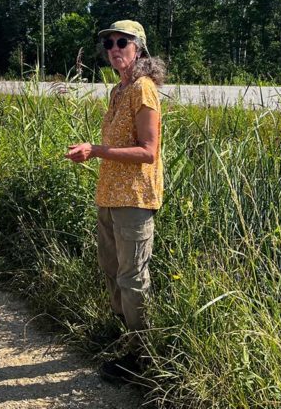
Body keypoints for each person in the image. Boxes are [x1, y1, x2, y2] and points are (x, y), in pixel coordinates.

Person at [65, 20, 165, 383]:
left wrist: (96, 150)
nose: (114, 49)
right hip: (109, 195)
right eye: (108, 44)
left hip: (135, 198)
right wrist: (93, 152)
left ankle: (144, 357)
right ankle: (127, 338)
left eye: (122, 42)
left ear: (139, 48)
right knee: (112, 270)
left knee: (132, 277)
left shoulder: (143, 89)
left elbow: (148, 151)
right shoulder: (118, 90)